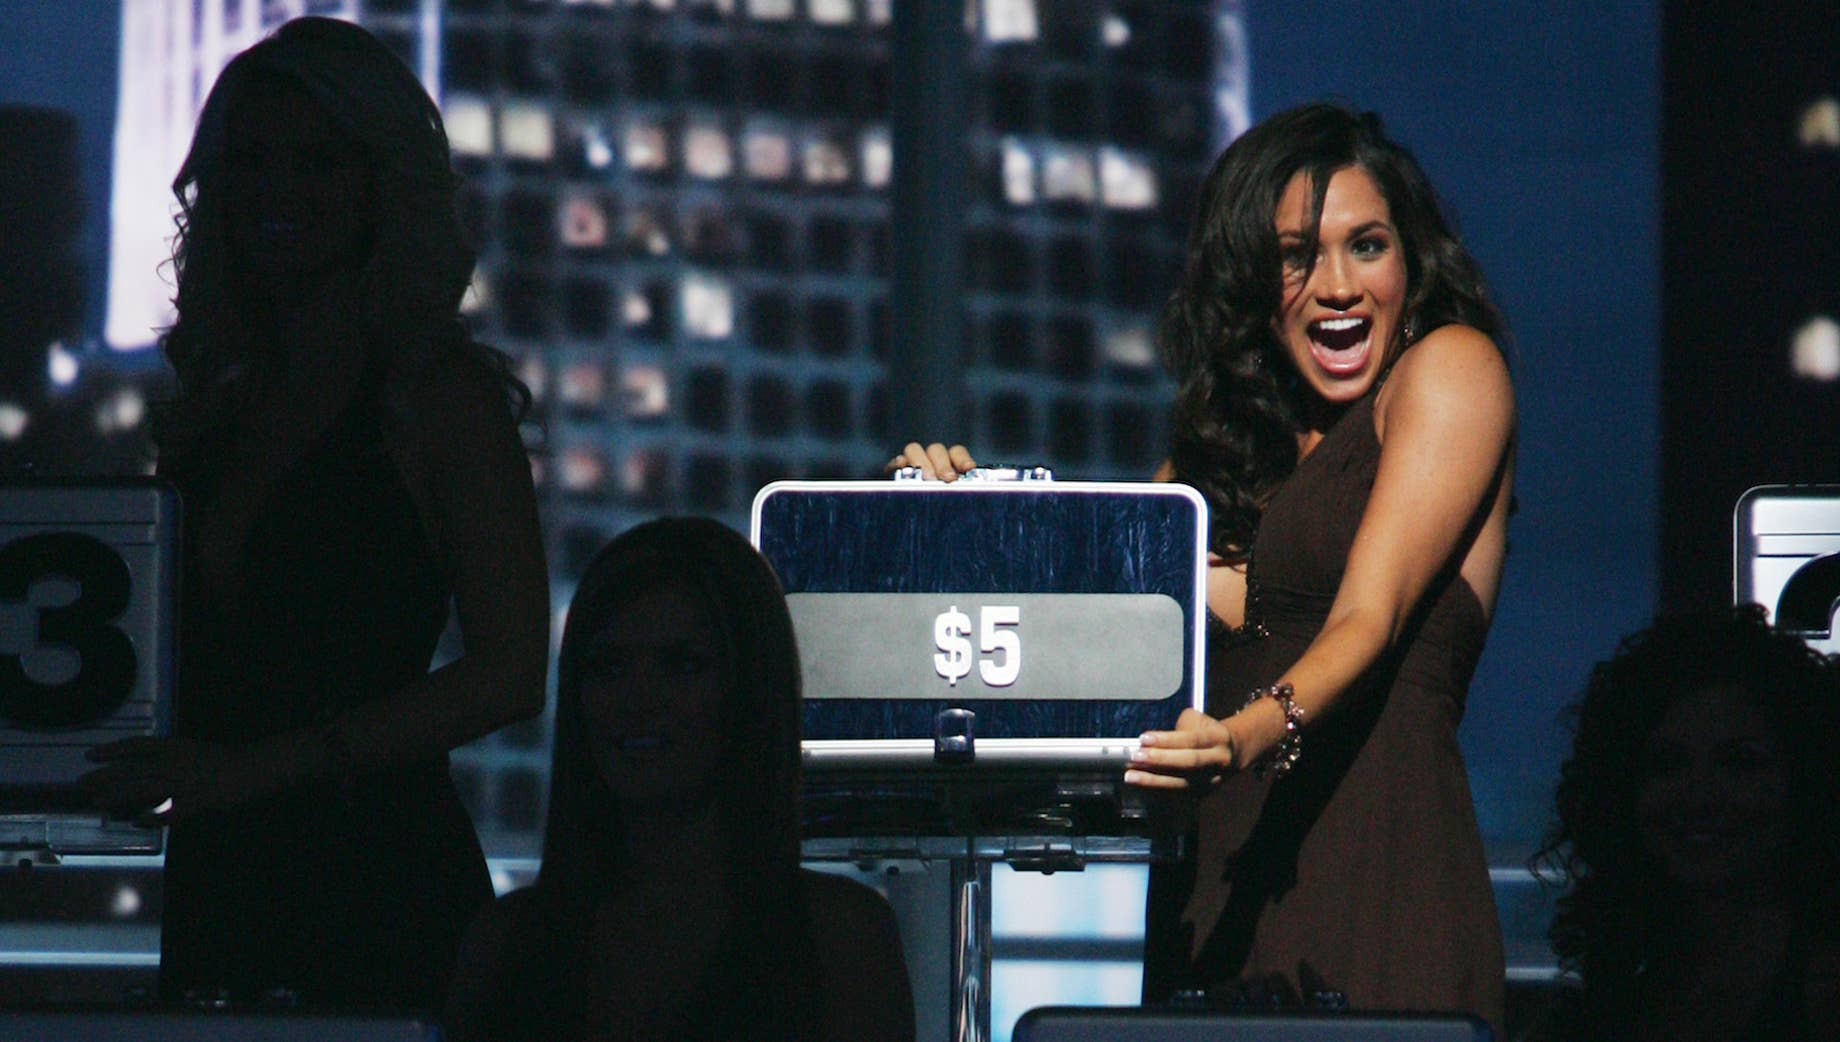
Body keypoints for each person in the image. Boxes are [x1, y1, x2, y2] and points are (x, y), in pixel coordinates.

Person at [895, 101, 1515, 1028]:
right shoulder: (1208, 465)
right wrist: (951, 518)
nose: (1337, 287)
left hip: (1381, 889)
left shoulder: (1450, 369)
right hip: (1213, 918)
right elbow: (1077, 643)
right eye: (1297, 257)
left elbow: (1369, 616)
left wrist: (1242, 737)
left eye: (1367, 246)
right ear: (1249, 281)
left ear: (1411, 260)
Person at [77, 17, 549, 1012]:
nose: (279, 189)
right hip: (222, 876)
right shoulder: (215, 405)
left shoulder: (437, 398)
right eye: (252, 162)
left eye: (318, 161)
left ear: (381, 181)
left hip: (380, 881)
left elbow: (512, 671)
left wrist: (251, 773)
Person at [443, 517, 915, 1042]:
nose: (638, 699)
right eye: (609, 667)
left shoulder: (841, 940)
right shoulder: (504, 946)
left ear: (749, 688)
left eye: (682, 666)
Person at [1532, 605, 1839, 1042]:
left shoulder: (1826, 996)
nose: (1700, 795)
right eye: (1667, 764)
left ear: (1807, 778)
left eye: (1739, 763)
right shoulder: (1612, 1001)